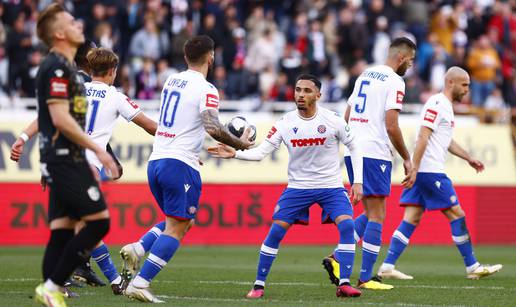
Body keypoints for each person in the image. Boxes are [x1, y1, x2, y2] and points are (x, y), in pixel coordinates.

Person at [123, 35, 254, 303]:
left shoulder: (172, 80)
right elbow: (213, 127)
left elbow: (183, 121)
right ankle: (140, 282)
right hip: (178, 163)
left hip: (157, 160)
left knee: (181, 221)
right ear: (211, 57)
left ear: (185, 57)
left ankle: (138, 248)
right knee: (178, 228)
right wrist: (240, 144)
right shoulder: (207, 89)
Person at [208, 74, 364, 299]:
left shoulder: (334, 120)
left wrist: (357, 181)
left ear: (318, 95)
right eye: (298, 90)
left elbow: (355, 146)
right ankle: (258, 286)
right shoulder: (285, 123)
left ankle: (345, 284)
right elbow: (261, 152)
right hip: (298, 188)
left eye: (307, 91)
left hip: (330, 186)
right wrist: (236, 153)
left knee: (348, 227)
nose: (301, 94)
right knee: (275, 232)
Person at [10, 44, 130, 295]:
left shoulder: (75, 88)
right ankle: (109, 280)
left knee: (71, 226)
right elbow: (149, 125)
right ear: (112, 71)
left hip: (61, 163)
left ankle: (62, 282)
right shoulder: (115, 96)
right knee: (92, 223)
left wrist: (23, 137)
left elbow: (48, 116)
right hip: (83, 167)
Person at [376, 67, 503, 280]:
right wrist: (415, 168)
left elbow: (446, 140)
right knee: (457, 213)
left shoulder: (446, 107)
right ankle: (472, 266)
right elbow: (423, 136)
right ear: (451, 83)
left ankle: (387, 266)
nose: (467, 90)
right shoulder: (437, 103)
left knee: (412, 217)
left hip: (425, 171)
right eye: (464, 85)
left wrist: (469, 157)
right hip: (429, 172)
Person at [32, 4, 119, 307]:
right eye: (71, 21)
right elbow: (59, 118)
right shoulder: (57, 68)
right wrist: (98, 149)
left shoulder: (67, 68)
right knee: (99, 221)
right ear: (59, 33)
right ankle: (54, 284)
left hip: (62, 158)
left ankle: (51, 290)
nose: (78, 23)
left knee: (62, 231)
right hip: (67, 158)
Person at [322, 37, 416, 290]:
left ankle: (338, 258)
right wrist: (407, 157)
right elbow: (391, 124)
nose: (411, 65)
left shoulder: (366, 73)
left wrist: (348, 143)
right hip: (374, 151)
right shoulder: (396, 81)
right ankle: (365, 277)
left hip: (355, 149)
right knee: (378, 214)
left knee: (369, 210)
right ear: (403, 58)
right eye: (411, 60)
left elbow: (348, 114)